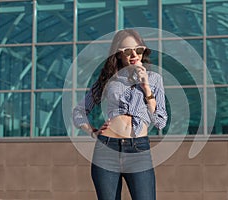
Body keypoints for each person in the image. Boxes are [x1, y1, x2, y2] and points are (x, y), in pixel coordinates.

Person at [72, 29, 167, 200]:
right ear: (118, 54)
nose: (133, 55)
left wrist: (146, 87)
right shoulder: (108, 79)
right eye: (127, 51)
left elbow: (160, 122)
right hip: (106, 149)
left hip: (139, 150)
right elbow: (79, 111)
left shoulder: (154, 79)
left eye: (138, 50)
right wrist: (92, 131)